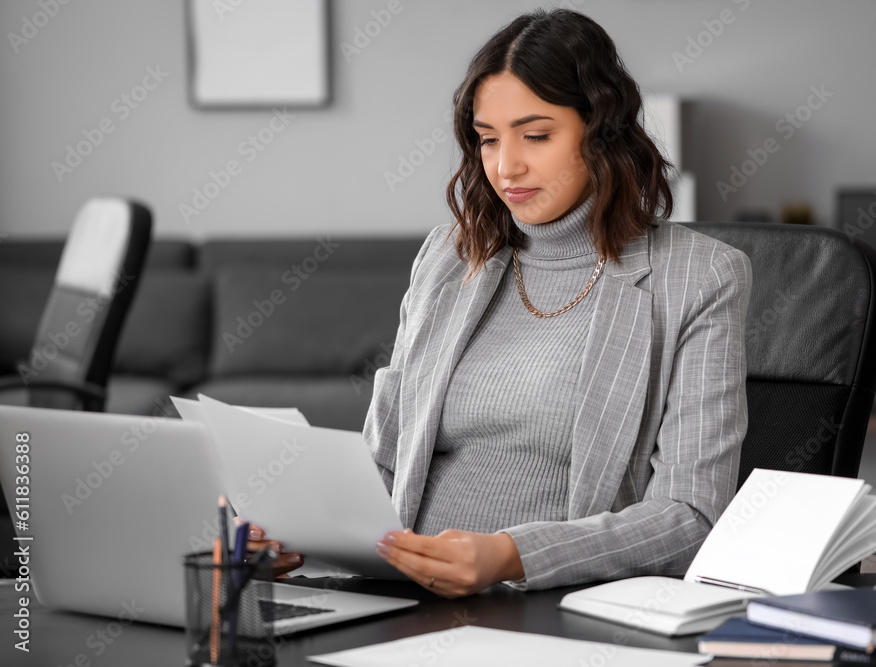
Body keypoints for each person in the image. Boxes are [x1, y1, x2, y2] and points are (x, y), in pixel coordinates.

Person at [256, 7, 751, 598]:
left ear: (601, 132)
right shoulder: (449, 255)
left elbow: (692, 516)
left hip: (548, 604)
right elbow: (384, 458)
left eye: (536, 136)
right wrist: (297, 528)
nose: (505, 166)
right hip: (398, 593)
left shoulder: (702, 276)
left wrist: (511, 556)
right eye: (488, 139)